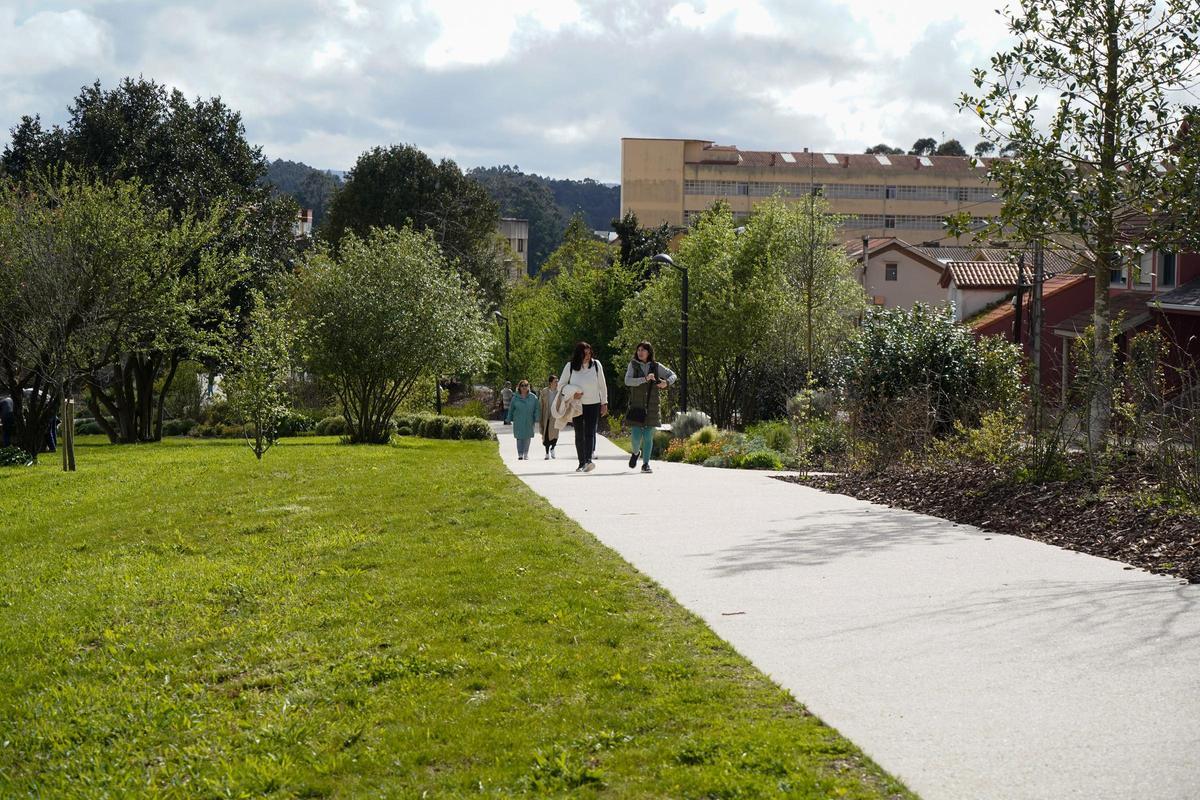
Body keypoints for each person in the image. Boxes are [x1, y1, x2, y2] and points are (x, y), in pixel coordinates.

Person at [624, 340, 676, 473]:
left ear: (649, 352)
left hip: (652, 407)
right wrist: (645, 379)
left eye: (643, 350)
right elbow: (627, 381)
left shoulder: (656, 366)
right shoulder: (633, 365)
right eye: (638, 350)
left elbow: (673, 375)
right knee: (635, 438)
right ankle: (636, 453)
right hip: (636, 407)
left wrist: (666, 383)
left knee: (648, 437)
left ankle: (646, 464)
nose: (640, 352)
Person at [558, 341, 608, 473]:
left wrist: (604, 403)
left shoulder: (596, 365)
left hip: (593, 403)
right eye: (584, 353)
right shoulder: (570, 366)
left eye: (589, 353)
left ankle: (588, 461)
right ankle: (581, 463)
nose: (587, 356)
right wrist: (572, 394)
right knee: (579, 433)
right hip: (576, 405)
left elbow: (602, 385)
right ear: (578, 354)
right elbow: (560, 385)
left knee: (590, 432)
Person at [504, 379, 539, 460]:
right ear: (519, 387)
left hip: (529, 420)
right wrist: (508, 418)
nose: (524, 387)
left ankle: (526, 454)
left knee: (527, 437)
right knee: (519, 437)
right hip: (518, 420)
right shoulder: (515, 397)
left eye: (526, 385)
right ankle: (520, 454)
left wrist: (537, 417)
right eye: (522, 385)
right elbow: (511, 409)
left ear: (528, 387)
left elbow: (537, 408)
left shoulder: (533, 397)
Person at [538, 375, 560, 459]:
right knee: (546, 435)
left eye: (557, 381)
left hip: (555, 416)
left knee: (555, 435)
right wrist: (539, 415)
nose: (557, 383)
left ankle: (553, 448)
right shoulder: (544, 391)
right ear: (550, 383)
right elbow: (540, 404)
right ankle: (547, 453)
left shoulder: (559, 392)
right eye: (555, 381)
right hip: (546, 416)